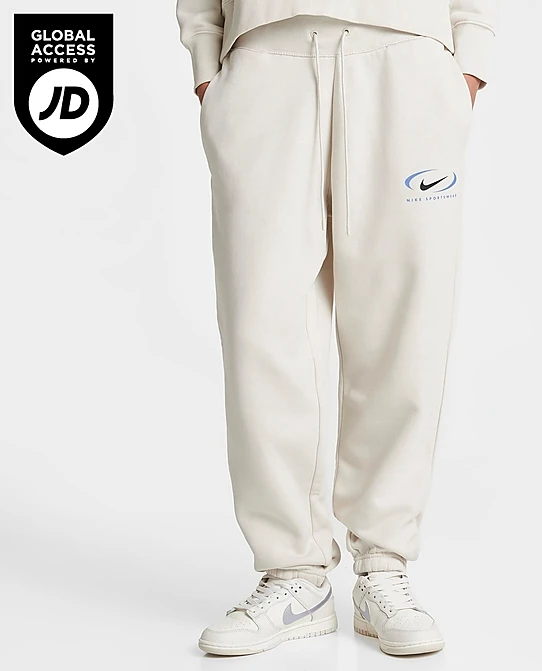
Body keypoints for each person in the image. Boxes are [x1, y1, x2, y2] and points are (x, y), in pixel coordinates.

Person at [176, 0, 495, 657]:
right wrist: (207, 61)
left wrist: (469, 58)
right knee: (262, 329)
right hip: (263, 57)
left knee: (404, 325)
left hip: (408, 56)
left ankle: (383, 564)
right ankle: (292, 572)